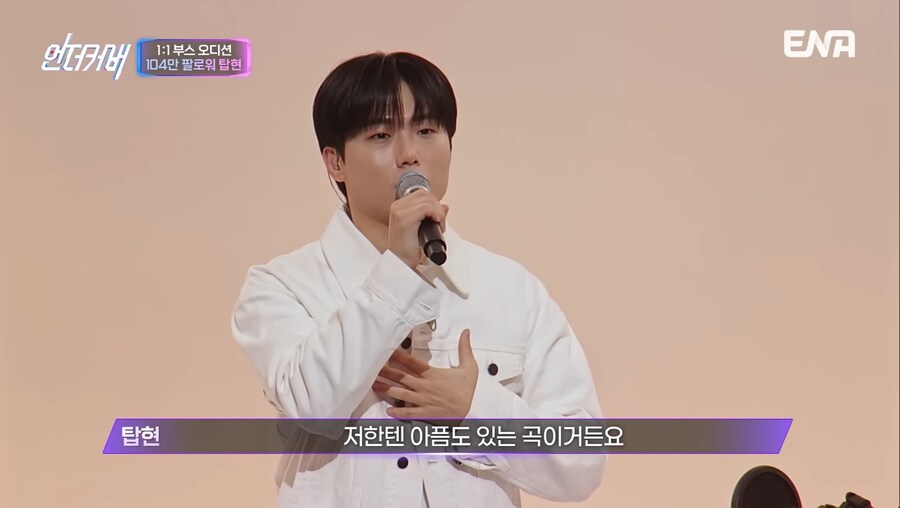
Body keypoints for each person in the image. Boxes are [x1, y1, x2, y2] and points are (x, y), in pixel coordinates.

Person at [231, 51, 606, 507]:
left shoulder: (511, 289)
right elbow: (313, 405)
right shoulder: (283, 286)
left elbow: (581, 463)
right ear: (335, 162)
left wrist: (475, 411)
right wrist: (397, 271)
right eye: (381, 135)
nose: (409, 154)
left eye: (427, 130)